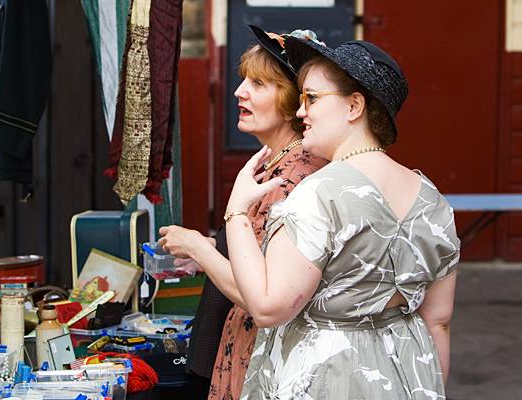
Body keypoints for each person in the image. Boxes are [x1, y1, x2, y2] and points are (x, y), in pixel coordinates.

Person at [221, 34, 461, 399]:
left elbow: (268, 307)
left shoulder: (319, 194)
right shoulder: (434, 201)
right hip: (409, 381)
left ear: (354, 107)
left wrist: (236, 212)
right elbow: (438, 322)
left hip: (326, 380)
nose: (301, 113)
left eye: (311, 99)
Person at [158, 26, 326, 399]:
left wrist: (201, 249)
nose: (239, 91)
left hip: (265, 357)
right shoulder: (271, 163)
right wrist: (205, 247)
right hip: (240, 344)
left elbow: (261, 293)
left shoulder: (296, 178)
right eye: (243, 80)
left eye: (259, 83)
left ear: (294, 102)